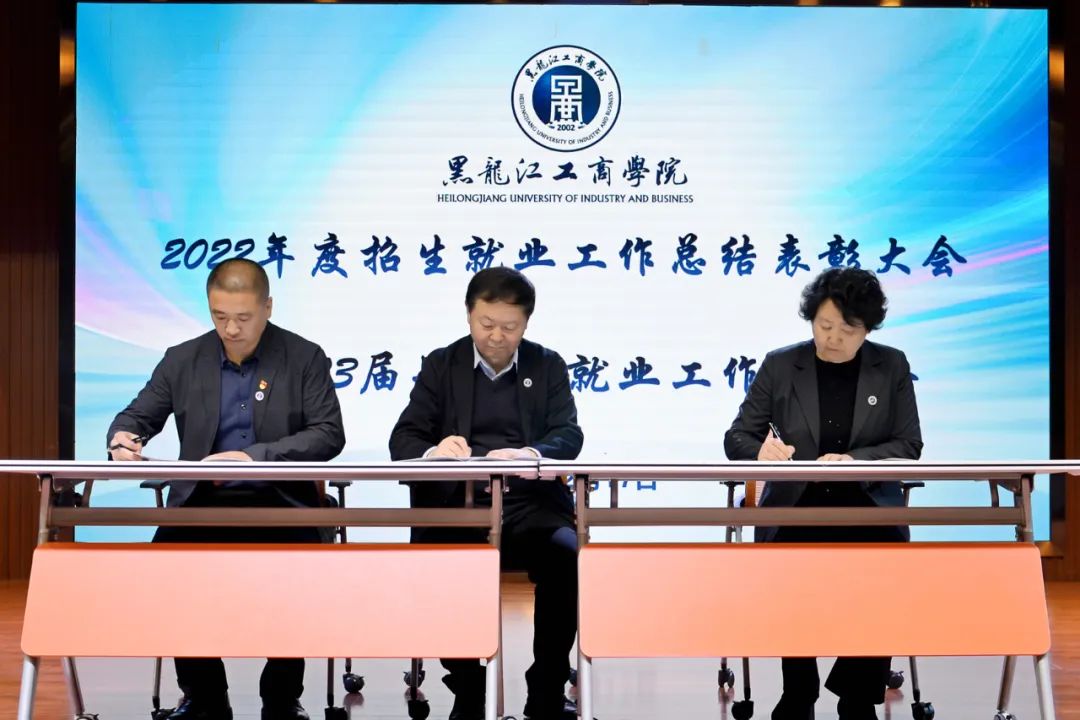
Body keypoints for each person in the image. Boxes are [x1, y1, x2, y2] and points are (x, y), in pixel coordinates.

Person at [108, 258, 346, 720]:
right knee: (168, 573)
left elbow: (328, 434)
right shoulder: (183, 359)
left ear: (268, 307)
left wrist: (256, 457)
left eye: (243, 317)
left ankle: (281, 698)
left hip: (281, 502)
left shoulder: (304, 357)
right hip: (202, 501)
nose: (231, 329)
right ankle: (204, 696)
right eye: (220, 317)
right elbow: (136, 416)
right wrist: (123, 437)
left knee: (294, 580)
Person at [724, 267, 923, 720]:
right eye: (824, 325)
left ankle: (858, 697)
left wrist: (856, 461)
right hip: (798, 505)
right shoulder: (781, 365)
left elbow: (908, 444)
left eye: (847, 330)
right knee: (793, 578)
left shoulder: (891, 365)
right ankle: (799, 692)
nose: (832, 338)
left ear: (868, 329)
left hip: (868, 505)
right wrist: (760, 451)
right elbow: (737, 437)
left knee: (883, 572)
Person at [390, 267, 584, 720]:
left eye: (509, 327)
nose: (496, 337)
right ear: (468, 315)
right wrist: (435, 451)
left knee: (568, 557)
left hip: (529, 506)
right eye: (486, 324)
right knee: (441, 562)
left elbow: (568, 434)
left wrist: (530, 454)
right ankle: (467, 686)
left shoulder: (547, 365)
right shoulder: (441, 365)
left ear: (527, 322)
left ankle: (547, 689)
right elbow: (403, 438)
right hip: (458, 507)